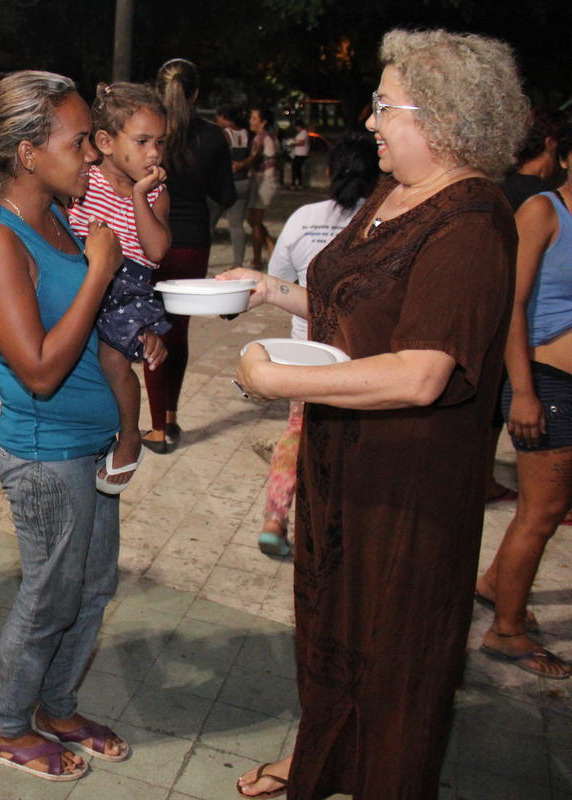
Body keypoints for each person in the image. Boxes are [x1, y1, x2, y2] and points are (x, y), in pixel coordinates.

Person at [225, 29, 526, 799]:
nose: (370, 122)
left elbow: (425, 373)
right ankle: (322, 759)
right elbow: (353, 301)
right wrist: (269, 291)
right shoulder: (399, 195)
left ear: (444, 120)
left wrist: (277, 380)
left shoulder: (473, 223)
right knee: (331, 631)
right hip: (344, 466)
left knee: (395, 655)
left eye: (384, 106)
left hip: (408, 491)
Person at [0, 70, 130, 783]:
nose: (93, 153)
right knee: (50, 593)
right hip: (44, 451)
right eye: (80, 140)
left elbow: (74, 333)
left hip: (90, 444)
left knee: (92, 587)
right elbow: (40, 370)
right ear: (28, 152)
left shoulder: (56, 216)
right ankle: (8, 726)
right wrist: (98, 275)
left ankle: (57, 705)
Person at [472, 123, 572, 680]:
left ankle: (493, 584)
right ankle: (506, 630)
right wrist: (524, 391)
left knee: (549, 510)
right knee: (541, 513)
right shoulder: (544, 211)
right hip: (546, 383)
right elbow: (509, 305)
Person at [257, 132, 379, 558]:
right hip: (364, 353)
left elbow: (278, 276)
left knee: (298, 432)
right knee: (353, 443)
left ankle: (276, 516)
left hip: (305, 350)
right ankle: (336, 530)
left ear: (329, 173)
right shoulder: (383, 223)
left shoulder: (303, 218)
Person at [66, 82, 170, 493]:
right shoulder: (84, 180)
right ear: (105, 142)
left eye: (160, 142)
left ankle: (131, 436)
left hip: (128, 289)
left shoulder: (156, 190)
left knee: (113, 361)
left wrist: (141, 197)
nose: (155, 153)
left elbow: (157, 251)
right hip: (84, 278)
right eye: (143, 141)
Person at [142, 58, 235, 454]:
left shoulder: (147, 136)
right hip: (192, 242)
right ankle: (171, 417)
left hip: (149, 241)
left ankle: (157, 427)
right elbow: (225, 196)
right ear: (196, 93)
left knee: (151, 333)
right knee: (176, 334)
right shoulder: (213, 138)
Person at [242, 107, 280, 268]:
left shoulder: (265, 138)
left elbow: (267, 159)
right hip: (260, 180)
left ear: (263, 122)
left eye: (254, 118)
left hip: (265, 181)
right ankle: (271, 244)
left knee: (255, 221)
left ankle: (257, 259)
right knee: (252, 219)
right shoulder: (261, 137)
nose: (251, 121)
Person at [216, 106, 250, 268]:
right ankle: (238, 263)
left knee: (209, 222)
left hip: (226, 182)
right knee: (237, 226)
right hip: (243, 180)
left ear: (223, 117)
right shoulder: (246, 133)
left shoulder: (225, 133)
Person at [288, 119, 309, 189]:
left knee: (295, 168)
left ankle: (293, 184)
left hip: (301, 154)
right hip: (298, 153)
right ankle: (299, 184)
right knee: (297, 169)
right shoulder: (300, 133)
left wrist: (293, 144)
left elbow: (302, 143)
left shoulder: (304, 132)